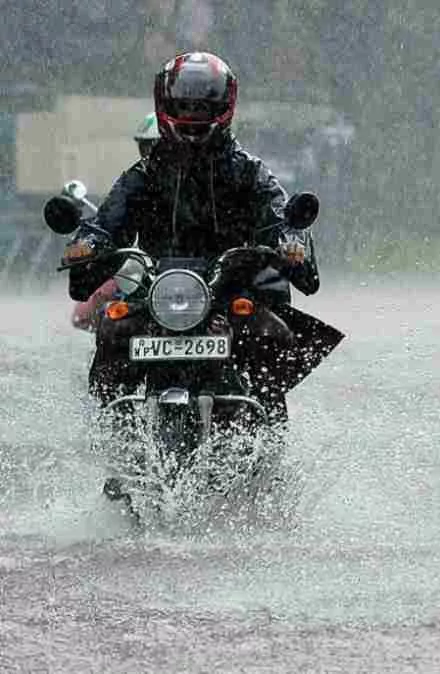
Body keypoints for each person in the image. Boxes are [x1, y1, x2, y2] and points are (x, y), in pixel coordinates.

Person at [61, 51, 341, 426]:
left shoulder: (249, 172)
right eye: (185, 104)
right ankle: (115, 435)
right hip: (159, 295)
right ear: (166, 103)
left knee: (274, 332)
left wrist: (290, 239)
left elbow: (278, 215)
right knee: (114, 326)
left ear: (224, 106)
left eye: (202, 105)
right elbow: (108, 222)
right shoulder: (143, 175)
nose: (193, 114)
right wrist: (90, 242)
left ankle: (266, 437)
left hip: (230, 292)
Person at [70, 113, 161, 331]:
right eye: (146, 148)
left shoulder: (225, 176)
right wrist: (89, 244)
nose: (152, 155)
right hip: (149, 269)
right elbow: (109, 221)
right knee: (91, 313)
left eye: (157, 147)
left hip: (210, 273)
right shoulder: (135, 180)